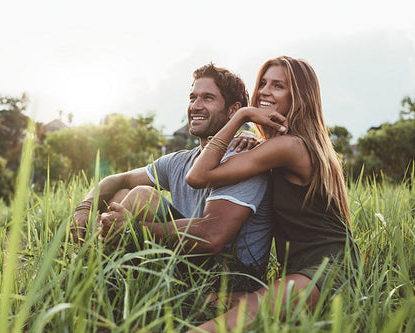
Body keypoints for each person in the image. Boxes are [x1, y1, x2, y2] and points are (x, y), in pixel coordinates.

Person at [71, 63, 285, 292]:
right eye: (192, 97)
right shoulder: (180, 161)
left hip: (228, 277)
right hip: (190, 264)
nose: (196, 106)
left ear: (234, 110)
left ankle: (86, 281)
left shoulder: (244, 158)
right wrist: (84, 208)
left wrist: (132, 227)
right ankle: (100, 279)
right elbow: (120, 179)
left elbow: (212, 237)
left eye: (208, 98)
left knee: (141, 197)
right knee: (121, 195)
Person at [185, 56, 359, 331]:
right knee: (209, 300)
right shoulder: (282, 146)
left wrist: (242, 115)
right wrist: (254, 139)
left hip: (328, 269)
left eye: (278, 86)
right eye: (263, 83)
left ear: (299, 97)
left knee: (220, 325)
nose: (265, 91)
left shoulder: (289, 147)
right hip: (300, 270)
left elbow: (197, 176)